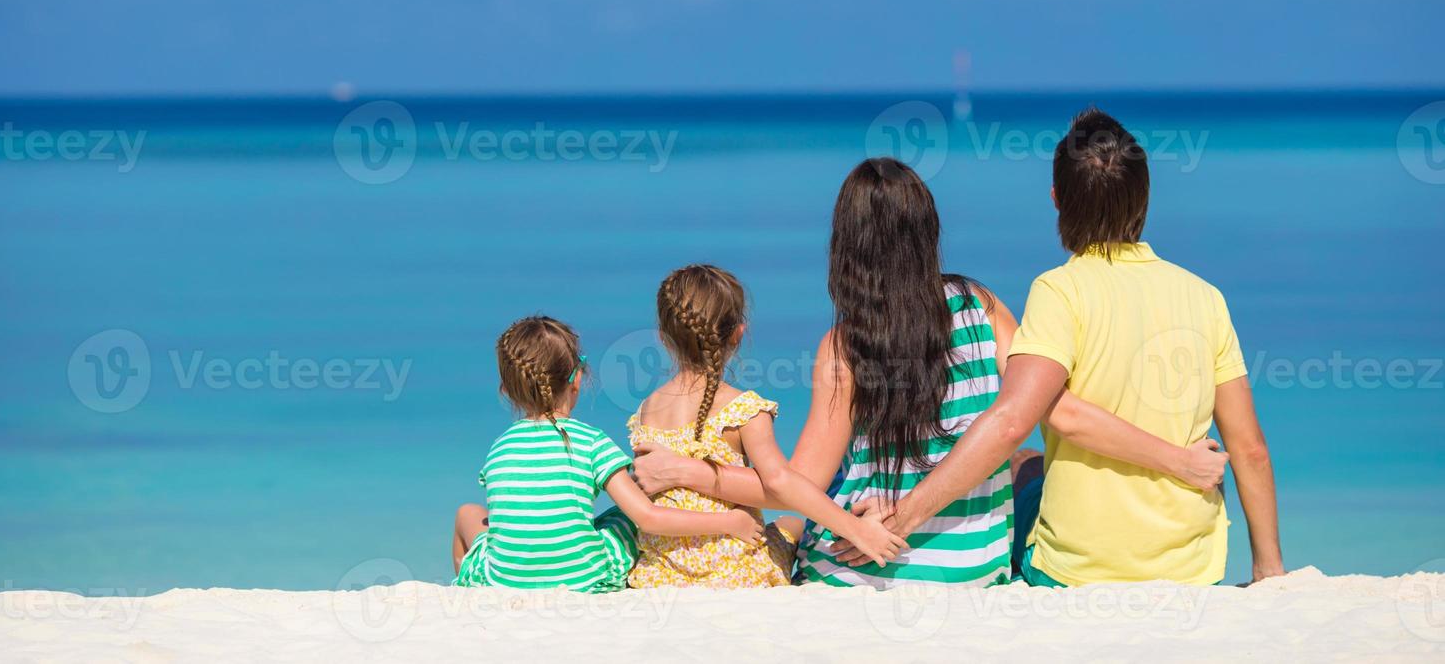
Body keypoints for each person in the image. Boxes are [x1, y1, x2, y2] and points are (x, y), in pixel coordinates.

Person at [634, 158, 1224, 587]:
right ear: (927, 233)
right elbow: (1052, 409)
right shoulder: (981, 306)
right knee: (1031, 465)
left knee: (835, 477)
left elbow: (797, 482)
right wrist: (1178, 456)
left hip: (850, 566)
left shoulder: (843, 345)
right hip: (969, 571)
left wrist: (693, 472)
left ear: (847, 247)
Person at [836, 111, 1284, 587]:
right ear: (1145, 198)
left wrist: (903, 515)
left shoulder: (1060, 291)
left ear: (1056, 200)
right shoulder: (1205, 296)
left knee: (1015, 461)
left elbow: (1013, 421)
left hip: (1075, 567)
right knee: (1026, 461)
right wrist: (1268, 570)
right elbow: (1250, 450)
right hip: (1192, 569)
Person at [628, 265, 907, 588]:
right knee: (794, 522)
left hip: (662, 573)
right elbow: (779, 481)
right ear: (738, 333)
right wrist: (855, 529)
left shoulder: (645, 411)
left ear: (664, 337)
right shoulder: (744, 409)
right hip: (734, 570)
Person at [451, 315, 764, 591]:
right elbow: (648, 518)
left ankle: (469, 593)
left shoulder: (499, 447)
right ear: (576, 379)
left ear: (506, 390)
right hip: (582, 576)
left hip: (505, 580)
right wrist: (729, 522)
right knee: (625, 514)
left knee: (467, 513)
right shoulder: (591, 442)